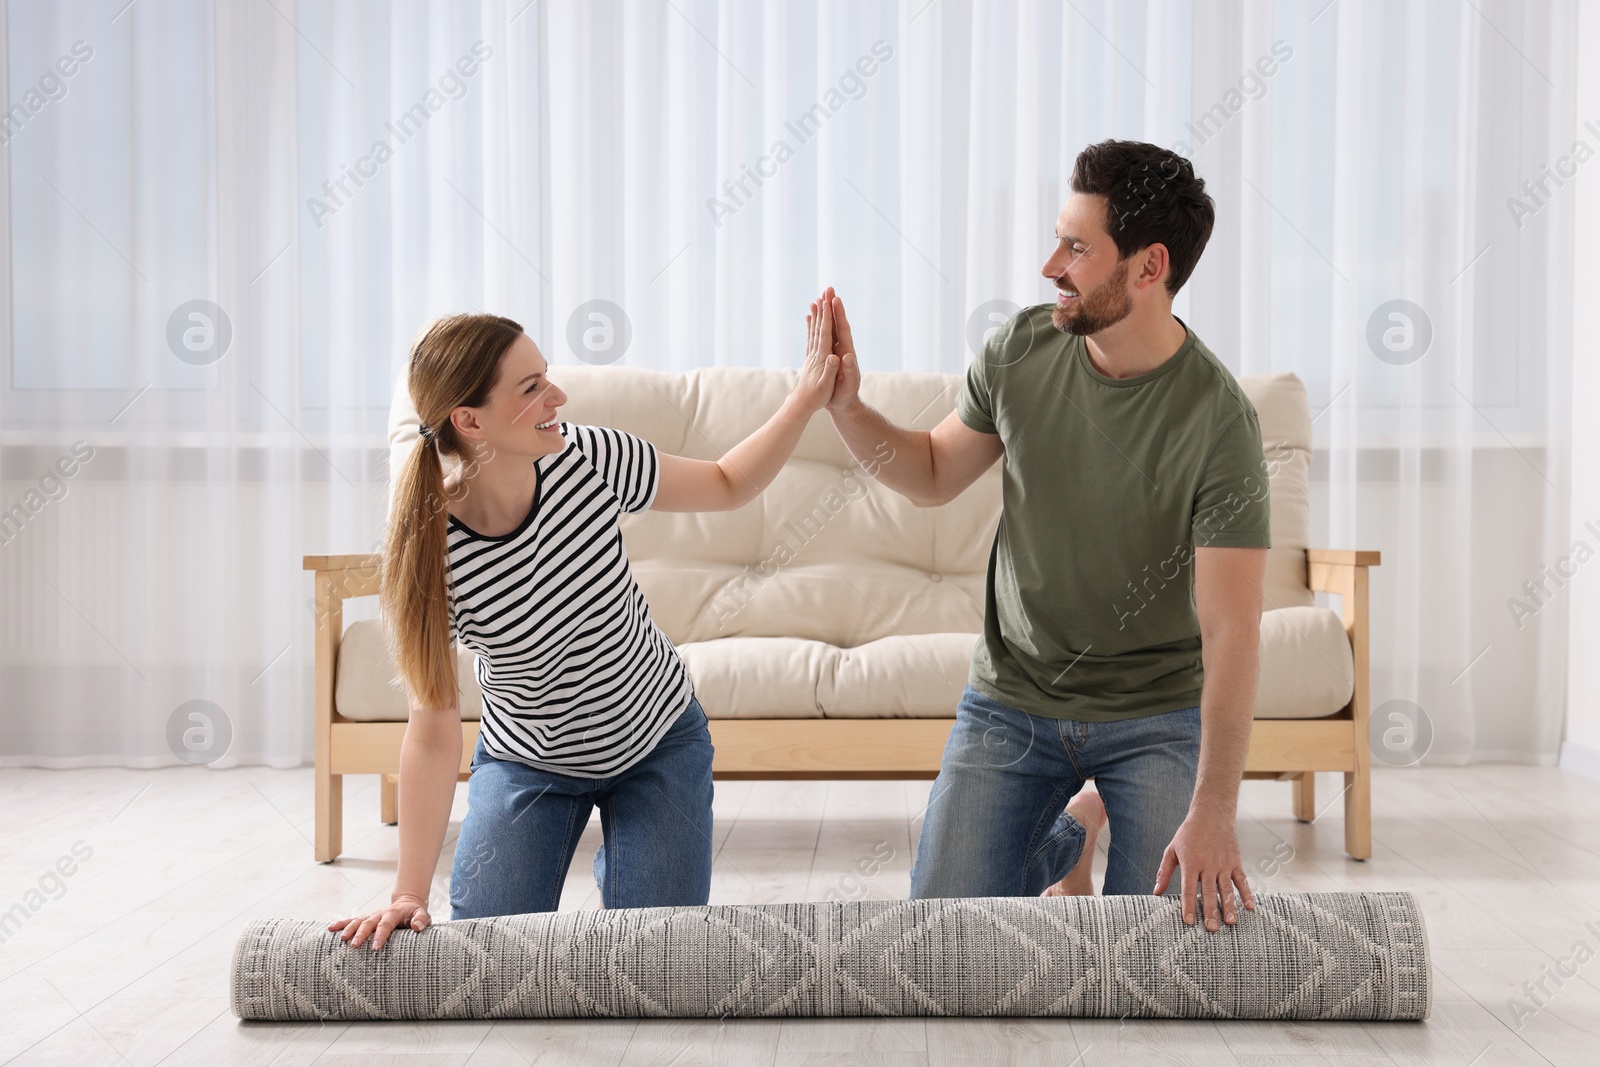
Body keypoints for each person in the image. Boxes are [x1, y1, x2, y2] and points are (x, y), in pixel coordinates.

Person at [821, 140, 1269, 932]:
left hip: (1155, 716)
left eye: (1077, 246)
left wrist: (1214, 810)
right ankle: (1067, 836)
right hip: (1012, 701)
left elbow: (1232, 628)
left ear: (1147, 267)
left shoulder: (1218, 421)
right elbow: (930, 473)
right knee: (940, 941)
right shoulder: (1021, 349)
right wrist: (847, 406)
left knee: (1156, 952)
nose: (1049, 264)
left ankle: (1094, 809)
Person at [329, 296, 842, 950]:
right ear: (469, 420)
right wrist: (406, 892)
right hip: (528, 762)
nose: (559, 396)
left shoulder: (589, 459)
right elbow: (431, 730)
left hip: (657, 743)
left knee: (654, 952)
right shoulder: (433, 551)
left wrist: (804, 397)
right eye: (533, 386)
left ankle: (629, 863)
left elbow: (724, 483)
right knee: (489, 954)